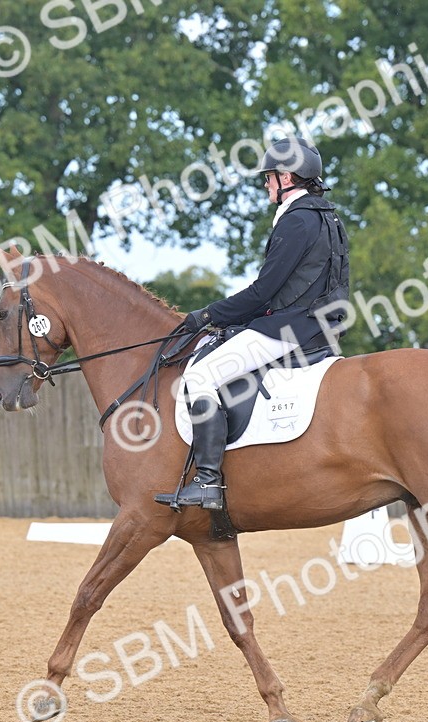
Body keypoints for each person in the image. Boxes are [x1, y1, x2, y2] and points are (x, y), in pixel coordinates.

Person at [155, 136, 350, 512]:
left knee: (201, 376)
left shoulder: (297, 221)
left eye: (270, 177)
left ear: (288, 177)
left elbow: (264, 291)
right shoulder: (329, 217)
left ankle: (208, 481)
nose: (266, 184)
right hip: (320, 327)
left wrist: (208, 315)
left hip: (291, 330)